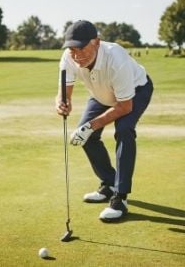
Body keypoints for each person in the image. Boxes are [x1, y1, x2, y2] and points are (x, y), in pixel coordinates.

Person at [55, 20, 154, 222]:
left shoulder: (116, 58)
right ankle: (109, 183)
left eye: (82, 48)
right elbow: (63, 94)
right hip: (101, 95)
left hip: (135, 91)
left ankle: (120, 197)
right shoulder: (69, 58)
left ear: (97, 42)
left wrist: (90, 126)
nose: (77, 55)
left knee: (124, 130)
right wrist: (62, 103)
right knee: (88, 137)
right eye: (72, 49)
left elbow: (125, 106)